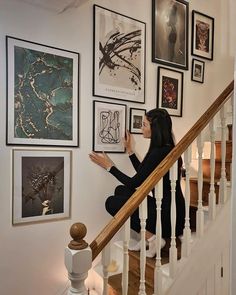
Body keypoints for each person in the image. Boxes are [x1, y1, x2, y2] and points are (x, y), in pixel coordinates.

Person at [89, 108, 185, 258]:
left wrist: (109, 167)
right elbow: (144, 173)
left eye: (145, 125)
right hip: (173, 211)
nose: (141, 128)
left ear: (155, 129)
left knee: (111, 203)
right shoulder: (165, 149)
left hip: (168, 218)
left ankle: (153, 239)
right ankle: (149, 237)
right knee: (121, 190)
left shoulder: (159, 152)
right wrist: (130, 151)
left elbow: (134, 182)